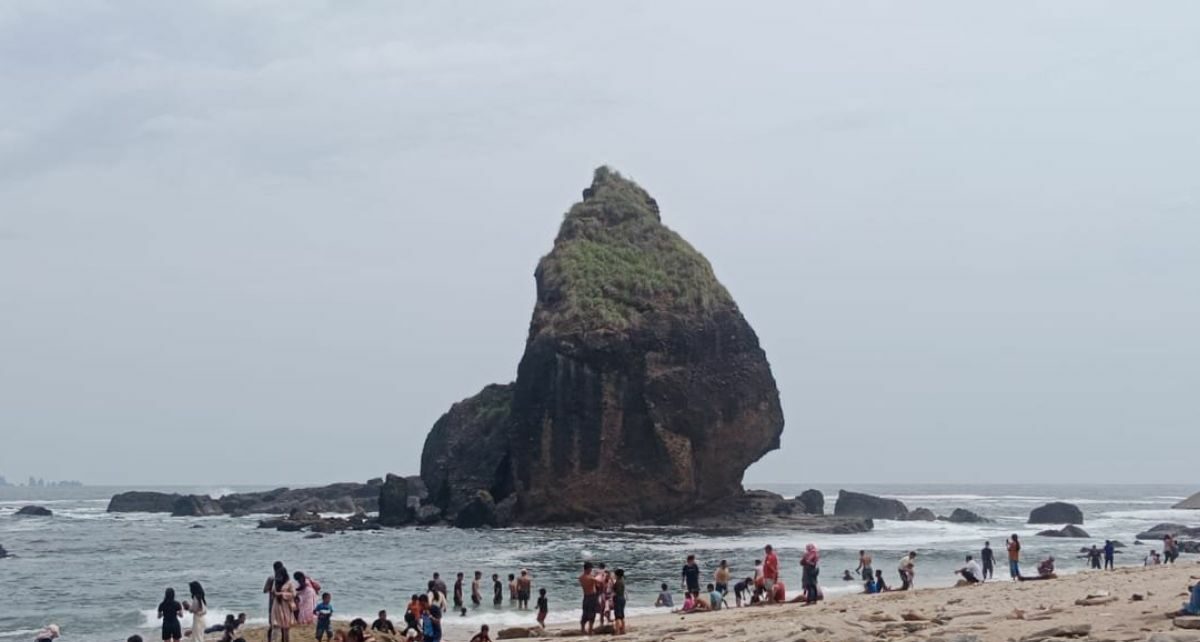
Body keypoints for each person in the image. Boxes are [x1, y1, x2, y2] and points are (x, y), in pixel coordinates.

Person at [272, 571, 297, 642]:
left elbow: (293, 594)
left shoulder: (289, 583)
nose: (279, 578)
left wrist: (281, 594)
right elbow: (273, 592)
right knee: (276, 625)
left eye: (280, 576)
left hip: (286, 606)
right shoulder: (275, 583)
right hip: (277, 606)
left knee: (286, 627)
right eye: (277, 576)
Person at [579, 562, 598, 635]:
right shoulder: (590, 578)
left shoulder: (581, 577)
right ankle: (590, 630)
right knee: (592, 614)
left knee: (585, 613)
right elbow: (600, 582)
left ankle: (583, 629)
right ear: (588, 569)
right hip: (592, 596)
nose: (591, 570)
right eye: (591, 569)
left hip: (585, 596)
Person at [613, 569, 628, 634]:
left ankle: (617, 631)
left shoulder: (618, 582)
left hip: (618, 598)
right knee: (622, 615)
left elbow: (616, 591)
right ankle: (623, 630)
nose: (614, 575)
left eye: (615, 574)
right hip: (622, 598)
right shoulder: (622, 580)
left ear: (617, 575)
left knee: (617, 616)